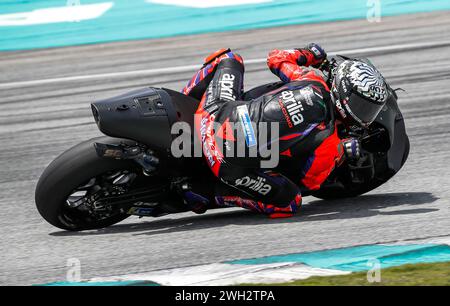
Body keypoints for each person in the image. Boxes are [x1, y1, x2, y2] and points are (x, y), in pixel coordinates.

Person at [181, 44, 389, 218]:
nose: (365, 115)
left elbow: (276, 58)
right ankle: (213, 196)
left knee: (229, 58)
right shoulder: (330, 142)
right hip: (226, 163)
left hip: (212, 114)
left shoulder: (310, 79)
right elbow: (312, 182)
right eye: (362, 106)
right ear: (345, 93)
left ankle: (182, 102)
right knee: (290, 202)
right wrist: (344, 151)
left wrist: (309, 55)